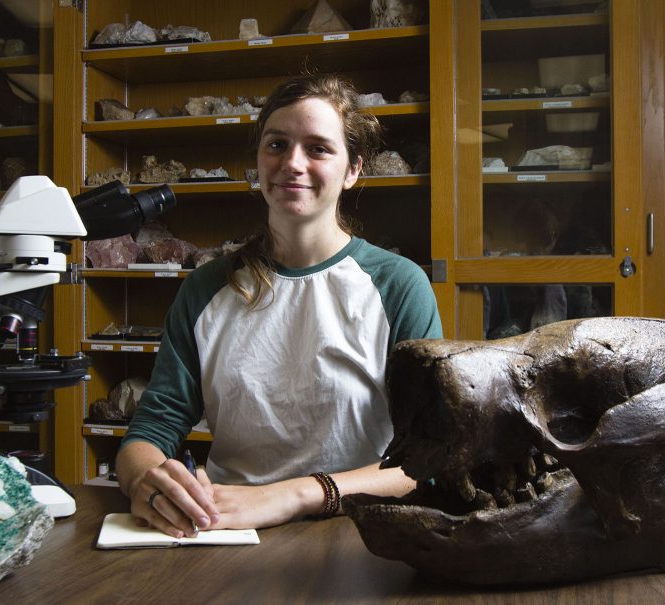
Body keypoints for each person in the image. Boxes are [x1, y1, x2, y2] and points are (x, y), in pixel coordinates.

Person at [116, 72, 442, 537]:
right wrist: (147, 484)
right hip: (227, 532)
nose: (292, 162)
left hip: (358, 533)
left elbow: (429, 459)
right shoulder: (207, 288)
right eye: (276, 145)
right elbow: (151, 430)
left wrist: (291, 495)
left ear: (353, 170)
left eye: (318, 148)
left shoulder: (398, 285)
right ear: (258, 160)